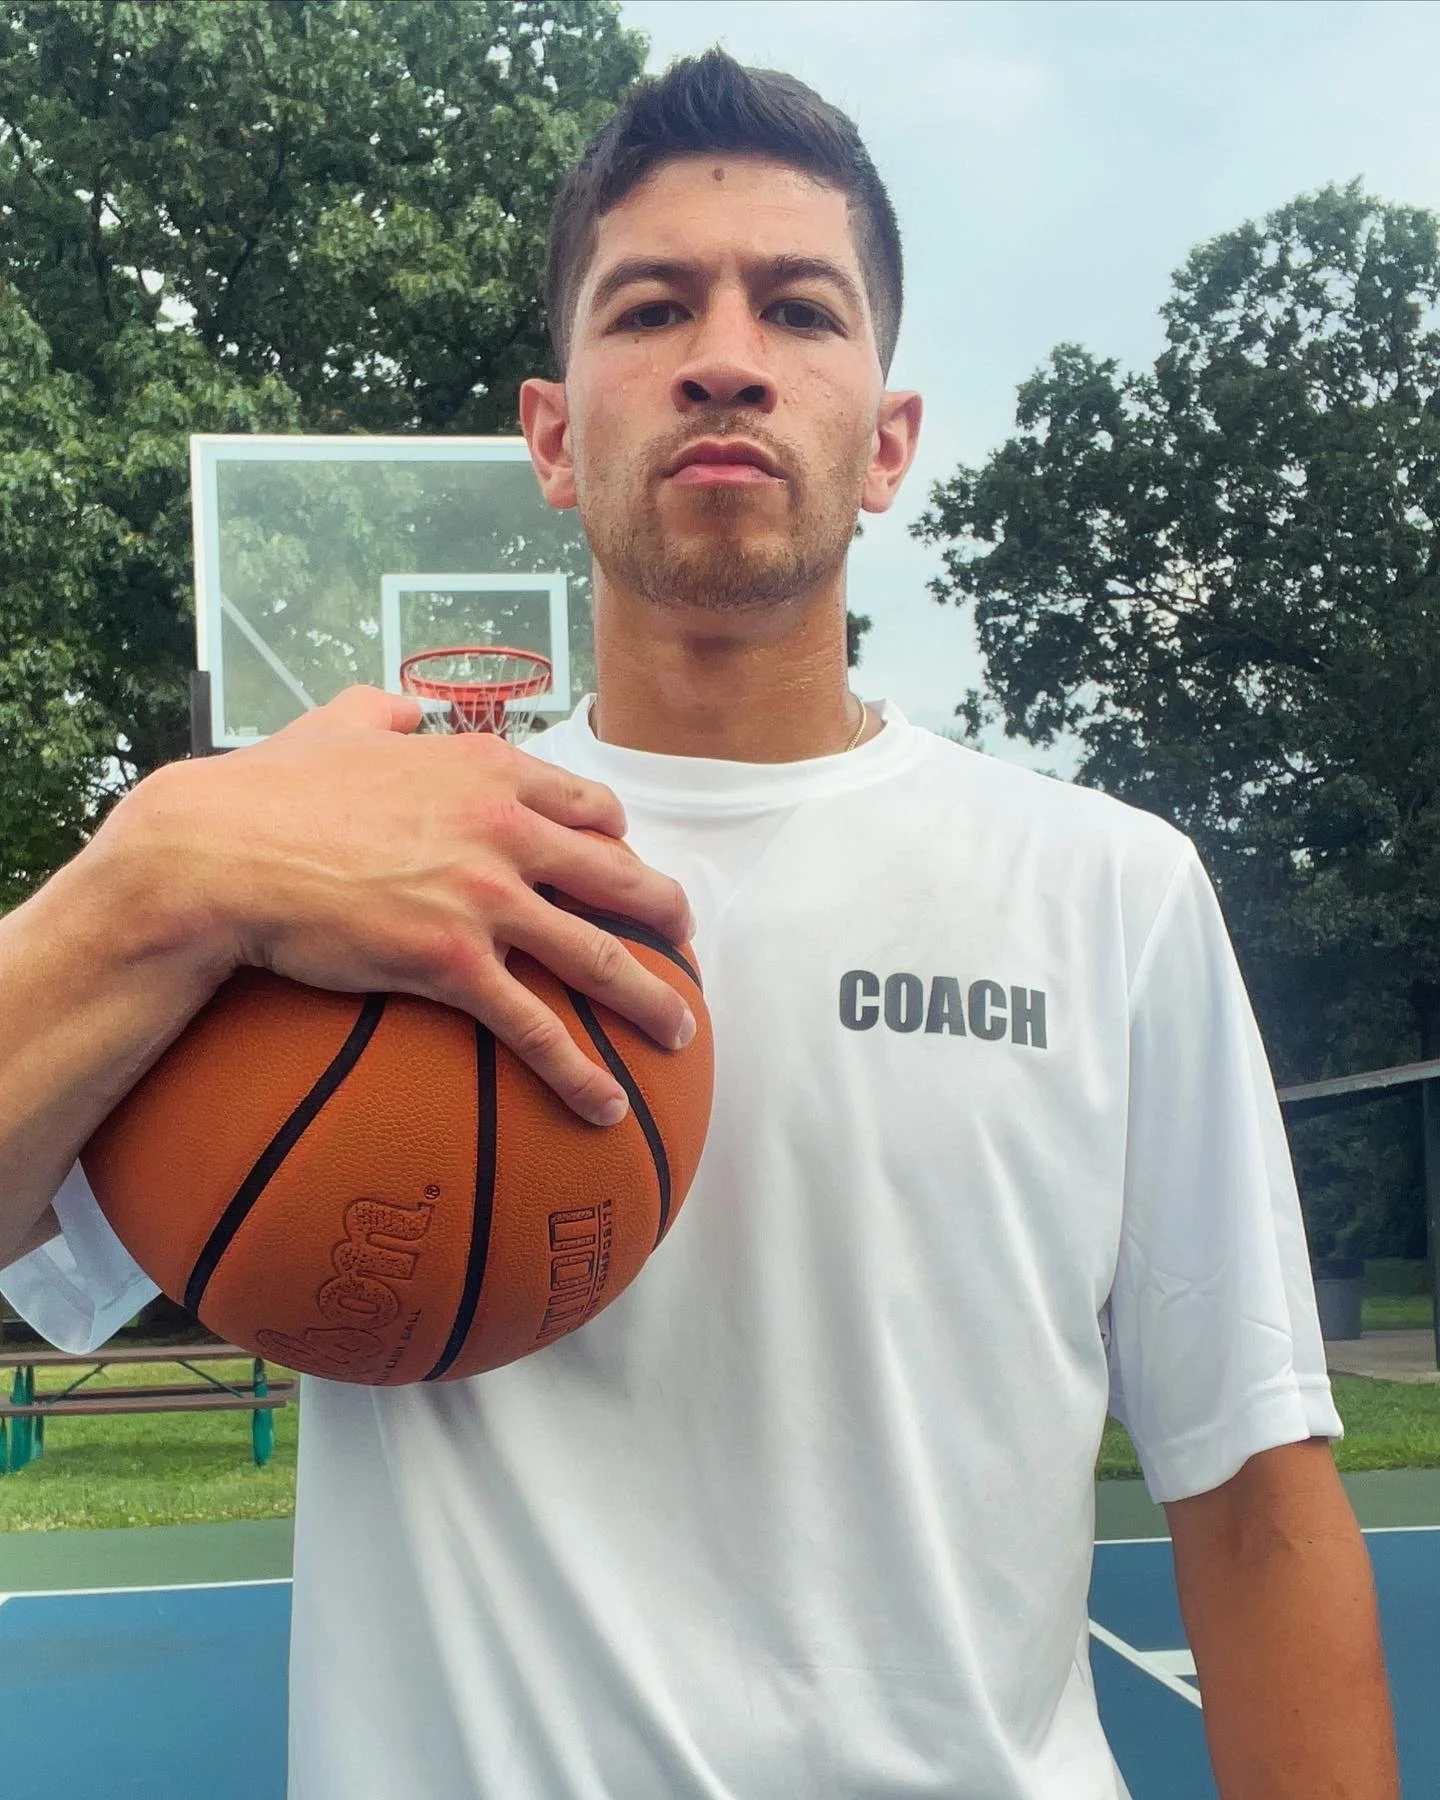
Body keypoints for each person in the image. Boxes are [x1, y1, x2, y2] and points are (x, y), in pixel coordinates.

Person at [0, 48, 1398, 1800]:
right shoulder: (332, 862)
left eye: (801, 311)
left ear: (886, 445)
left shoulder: (1105, 885)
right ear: (552, 433)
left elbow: (1259, 1506)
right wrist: (165, 867)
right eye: (652, 303)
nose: (726, 353)